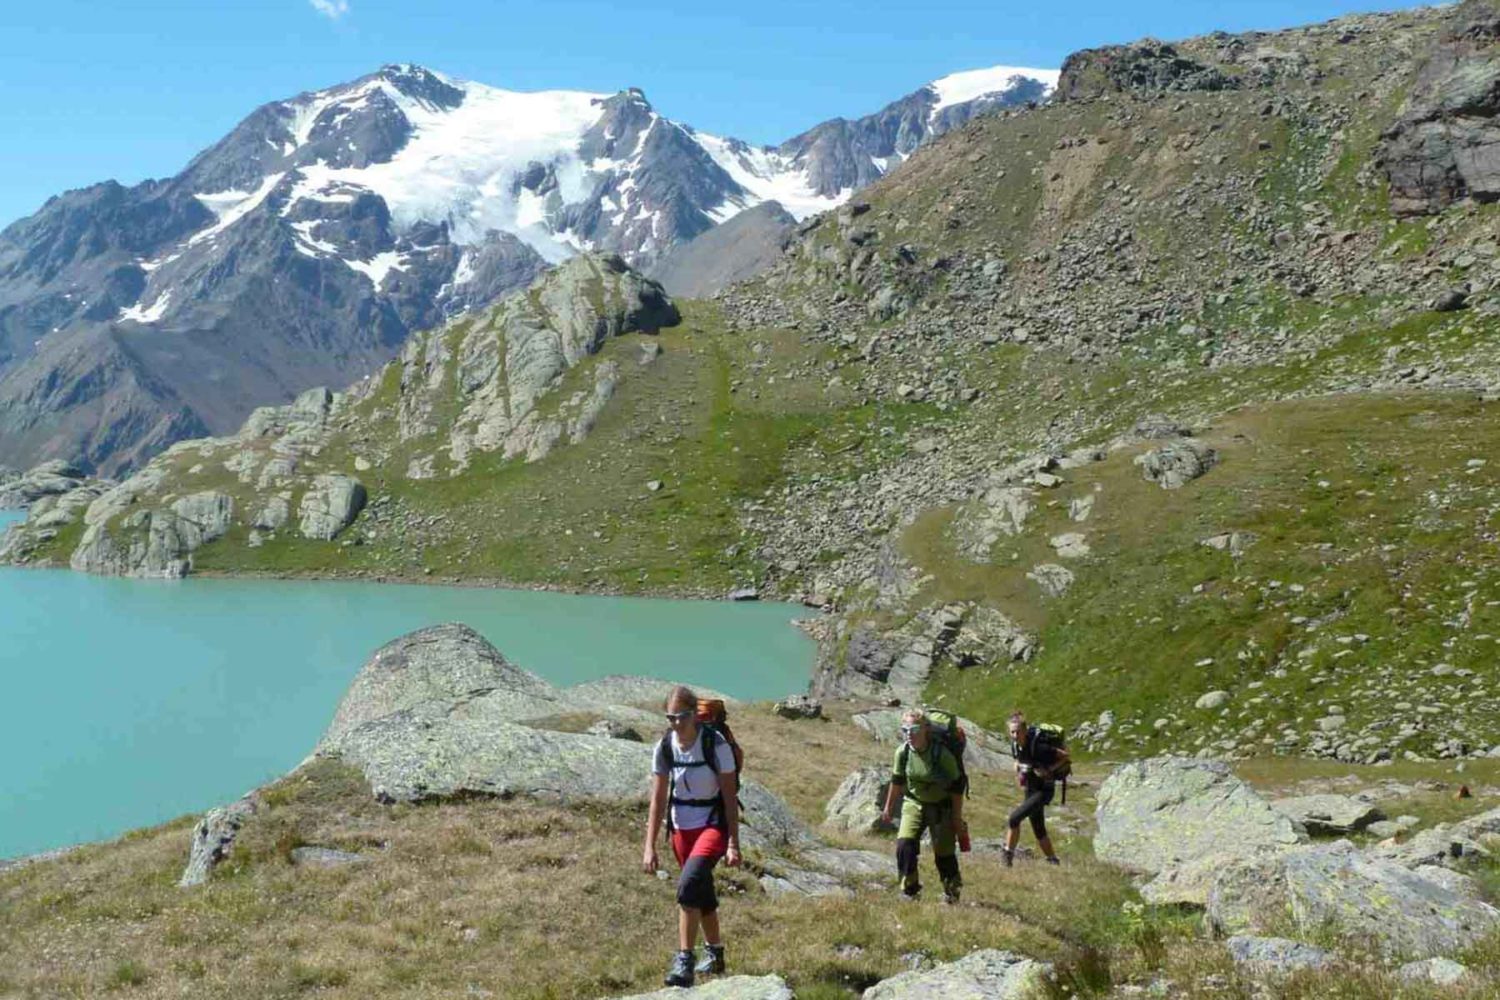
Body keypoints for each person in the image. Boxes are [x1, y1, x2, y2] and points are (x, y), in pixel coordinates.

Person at [643, 685, 742, 988]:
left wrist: (733, 843)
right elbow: (658, 800)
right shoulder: (664, 746)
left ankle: (684, 961)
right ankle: (715, 954)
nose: (675, 723)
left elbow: (728, 796)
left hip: (712, 824)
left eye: (681, 717)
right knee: (700, 891)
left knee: (688, 885)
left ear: (694, 715)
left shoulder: (716, 744)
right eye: (670, 717)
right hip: (680, 828)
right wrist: (649, 846)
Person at [879, 708, 966, 903]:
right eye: (905, 729)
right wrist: (888, 808)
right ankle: (910, 891)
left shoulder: (941, 753)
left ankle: (952, 893)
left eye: (914, 729)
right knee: (904, 845)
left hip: (942, 807)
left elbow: (957, 786)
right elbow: (897, 780)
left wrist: (956, 818)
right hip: (914, 803)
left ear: (925, 729)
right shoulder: (902, 752)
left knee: (943, 854)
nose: (909, 734)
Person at [1004, 711, 1067, 866]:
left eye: (1017, 732)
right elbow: (1017, 760)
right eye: (1012, 732)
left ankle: (1007, 858)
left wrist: (1049, 770)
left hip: (1043, 791)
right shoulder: (1015, 745)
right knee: (1038, 828)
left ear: (1025, 730)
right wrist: (1018, 768)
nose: (1014, 735)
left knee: (1014, 819)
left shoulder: (1039, 747)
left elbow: (1065, 756)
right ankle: (1053, 861)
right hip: (1030, 790)